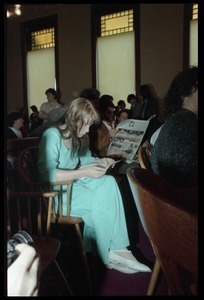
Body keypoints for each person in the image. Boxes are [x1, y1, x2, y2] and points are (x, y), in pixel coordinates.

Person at [37, 98, 151, 274]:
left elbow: (85, 159)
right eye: (86, 125)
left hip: (76, 187)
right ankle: (111, 252)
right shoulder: (52, 135)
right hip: (59, 195)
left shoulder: (76, 136)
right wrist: (83, 172)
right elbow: (46, 174)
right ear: (74, 119)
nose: (87, 130)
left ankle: (119, 250)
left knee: (108, 182)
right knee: (103, 200)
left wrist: (101, 160)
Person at [150, 66, 198, 189]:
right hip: (182, 201)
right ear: (186, 93)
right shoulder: (186, 123)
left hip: (168, 197)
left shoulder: (176, 120)